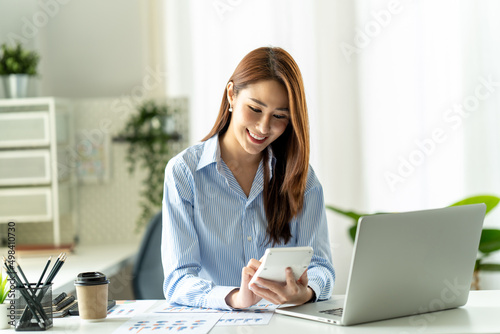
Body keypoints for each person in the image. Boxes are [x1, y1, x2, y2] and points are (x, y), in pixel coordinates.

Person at [161, 46, 335, 310]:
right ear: (231, 95)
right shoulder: (184, 173)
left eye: (279, 116)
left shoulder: (300, 176)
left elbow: (322, 267)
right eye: (255, 109)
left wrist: (307, 292)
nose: (264, 127)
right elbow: (177, 280)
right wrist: (235, 297)